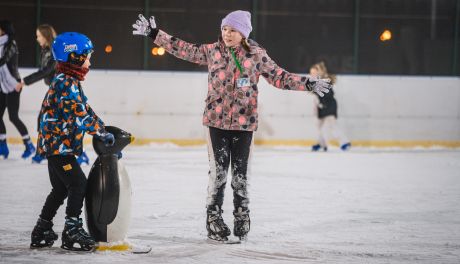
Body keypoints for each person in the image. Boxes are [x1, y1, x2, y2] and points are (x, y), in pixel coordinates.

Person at [132, 11, 332, 242]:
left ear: (243, 33)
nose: (227, 34)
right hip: (215, 124)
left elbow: (280, 77)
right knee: (218, 175)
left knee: (241, 176)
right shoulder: (212, 51)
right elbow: (183, 49)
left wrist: (308, 83)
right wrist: (155, 34)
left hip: (244, 125)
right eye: (225, 29)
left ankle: (242, 216)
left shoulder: (257, 56)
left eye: (232, 30)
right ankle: (213, 220)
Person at [30, 32, 115, 251]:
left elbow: (84, 108)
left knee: (60, 190)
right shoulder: (65, 83)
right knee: (78, 184)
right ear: (73, 57)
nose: (90, 61)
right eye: (86, 56)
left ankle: (42, 229)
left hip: (57, 145)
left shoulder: (70, 81)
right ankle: (72, 230)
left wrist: (102, 128)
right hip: (59, 147)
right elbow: (78, 113)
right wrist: (99, 132)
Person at [18, 24, 90, 165]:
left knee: (65, 121)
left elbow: (46, 71)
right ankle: (44, 152)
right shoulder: (46, 50)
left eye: (39, 35)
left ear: (45, 36)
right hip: (54, 89)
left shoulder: (54, 51)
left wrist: (25, 81)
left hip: (62, 89)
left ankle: (79, 154)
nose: (37, 38)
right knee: (46, 120)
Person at [0, 20, 35, 159]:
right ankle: (3, 146)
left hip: (14, 85)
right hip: (2, 86)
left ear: (4, 30)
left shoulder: (10, 44)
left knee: (13, 117)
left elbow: (3, 61)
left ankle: (29, 145)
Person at [309, 62, 351, 151]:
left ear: (318, 72)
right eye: (311, 73)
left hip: (329, 106)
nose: (312, 74)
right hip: (322, 108)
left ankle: (344, 142)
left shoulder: (324, 80)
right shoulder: (315, 81)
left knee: (332, 125)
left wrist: (322, 102)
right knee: (319, 125)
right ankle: (321, 143)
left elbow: (329, 94)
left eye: (314, 72)